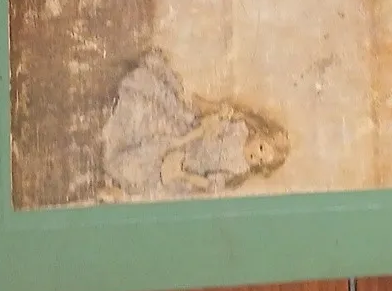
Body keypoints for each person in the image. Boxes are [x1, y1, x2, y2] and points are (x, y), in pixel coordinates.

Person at [101, 50, 290, 199]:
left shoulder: (239, 169)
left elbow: (211, 184)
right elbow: (211, 124)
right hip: (189, 135)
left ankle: (119, 187)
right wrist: (210, 123)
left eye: (260, 161)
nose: (256, 156)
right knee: (158, 123)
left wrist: (184, 175)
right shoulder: (239, 129)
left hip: (187, 166)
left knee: (152, 176)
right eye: (261, 148)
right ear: (258, 134)